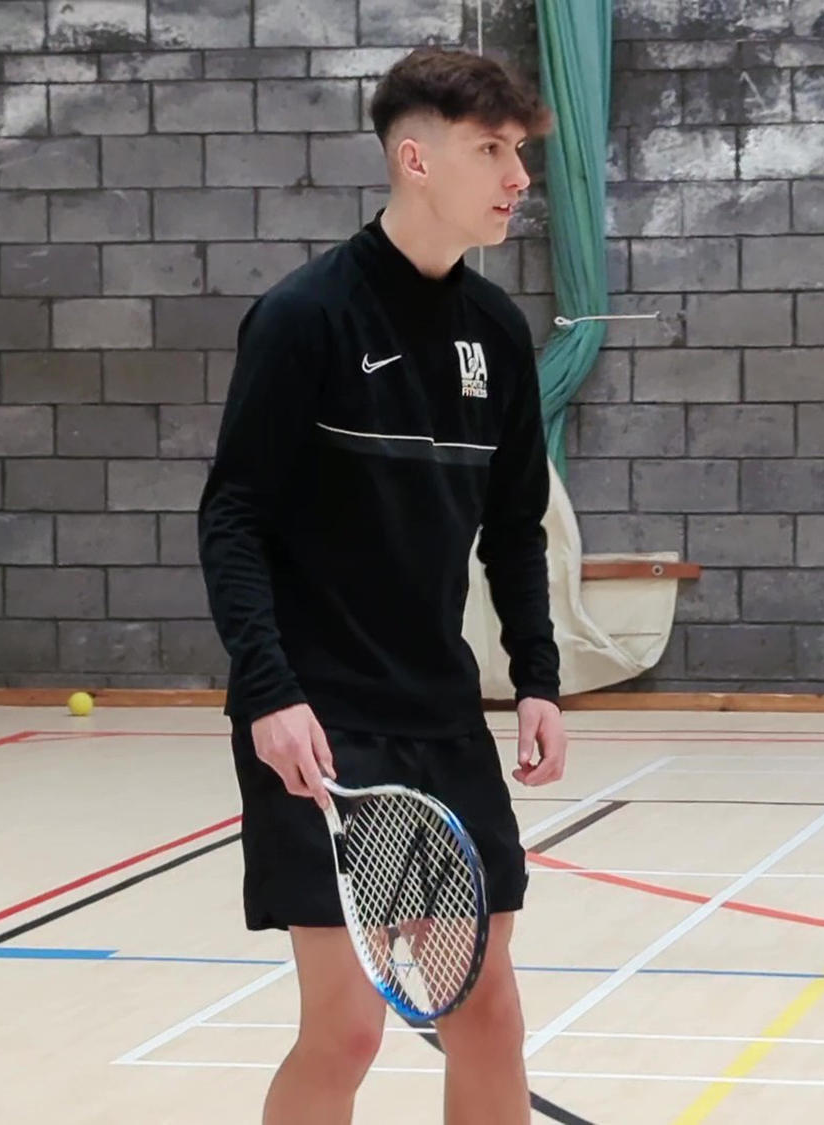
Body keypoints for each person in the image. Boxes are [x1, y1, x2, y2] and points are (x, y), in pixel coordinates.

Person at [196, 46, 566, 1123]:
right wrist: (267, 694)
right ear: (414, 157)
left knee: (487, 1011)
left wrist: (535, 678)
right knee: (349, 1026)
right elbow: (233, 517)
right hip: (317, 718)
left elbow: (511, 526)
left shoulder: (495, 336)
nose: (515, 177)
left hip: (439, 716)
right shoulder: (305, 317)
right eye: (489, 150)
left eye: (517, 153)